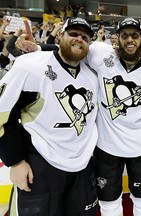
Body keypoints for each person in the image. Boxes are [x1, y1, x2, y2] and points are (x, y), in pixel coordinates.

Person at [0, 17, 99, 216]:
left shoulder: (92, 75)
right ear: (61, 35)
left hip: (82, 167)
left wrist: (39, 46)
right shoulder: (30, 66)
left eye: (84, 37)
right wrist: (16, 162)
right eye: (73, 34)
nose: (79, 39)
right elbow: (2, 113)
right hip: (41, 165)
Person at [86, 17, 141, 216]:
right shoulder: (101, 55)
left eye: (135, 35)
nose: (130, 40)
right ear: (117, 38)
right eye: (125, 35)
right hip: (106, 147)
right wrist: (37, 50)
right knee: (109, 203)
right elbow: (70, 52)